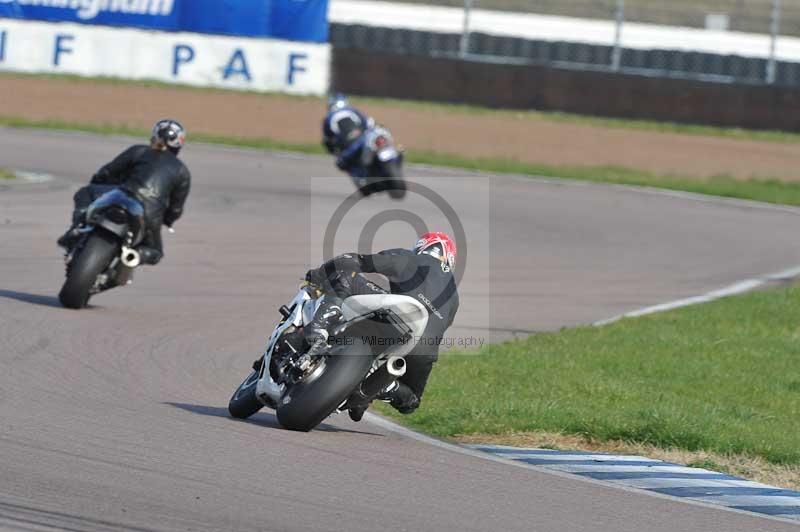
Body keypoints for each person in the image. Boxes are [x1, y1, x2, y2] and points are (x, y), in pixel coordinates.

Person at [304, 232, 460, 421]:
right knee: (411, 402)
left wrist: (319, 273)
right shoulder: (454, 296)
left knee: (346, 274)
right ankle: (382, 387)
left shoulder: (410, 258)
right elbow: (442, 326)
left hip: (395, 320)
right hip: (423, 349)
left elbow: (354, 261)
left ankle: (319, 329)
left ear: (423, 246)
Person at [57, 119, 191, 265]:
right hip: (151, 213)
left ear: (154, 135)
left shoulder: (139, 150)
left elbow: (107, 172)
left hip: (121, 195)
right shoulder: (182, 171)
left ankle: (77, 228)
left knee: (85, 192)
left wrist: (97, 185)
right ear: (179, 143)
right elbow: (176, 208)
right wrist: (168, 219)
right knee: (155, 252)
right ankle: (135, 255)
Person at [321, 92, 374, 175]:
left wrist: (334, 151)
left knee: (343, 163)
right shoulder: (352, 110)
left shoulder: (328, 117)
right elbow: (367, 122)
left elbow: (327, 139)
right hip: (363, 139)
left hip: (349, 145)